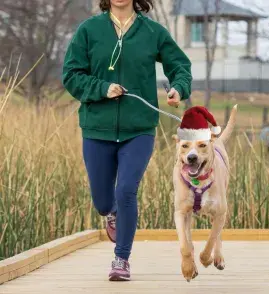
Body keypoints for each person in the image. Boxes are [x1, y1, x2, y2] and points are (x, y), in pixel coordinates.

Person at [62, 0, 192, 281]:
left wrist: (178, 89)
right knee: (102, 200)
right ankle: (110, 213)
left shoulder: (153, 32)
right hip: (97, 129)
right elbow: (71, 75)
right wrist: (101, 88)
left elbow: (180, 65)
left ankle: (121, 259)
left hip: (139, 128)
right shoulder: (89, 30)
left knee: (127, 191)